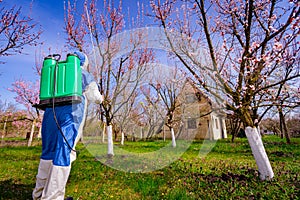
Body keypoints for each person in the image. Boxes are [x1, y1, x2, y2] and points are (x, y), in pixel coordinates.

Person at [32, 51, 103, 200]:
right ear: (84, 63)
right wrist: (101, 98)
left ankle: (38, 195)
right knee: (64, 152)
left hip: (50, 115)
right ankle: (53, 197)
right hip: (71, 115)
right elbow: (95, 97)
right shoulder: (83, 74)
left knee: (48, 152)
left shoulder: (55, 72)